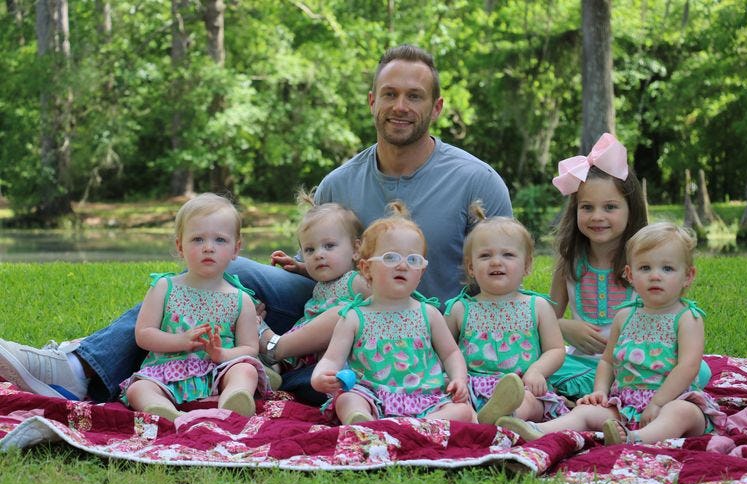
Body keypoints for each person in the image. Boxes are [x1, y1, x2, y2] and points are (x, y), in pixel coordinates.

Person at [0, 44, 511, 406]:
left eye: (415, 96)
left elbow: (500, 273)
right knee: (222, 269)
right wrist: (294, 275)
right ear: (371, 101)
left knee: (321, 362)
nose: (401, 106)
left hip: (422, 325)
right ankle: (81, 367)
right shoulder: (340, 182)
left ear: (436, 107)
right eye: (390, 93)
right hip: (332, 307)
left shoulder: (476, 181)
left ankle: (272, 367)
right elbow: (327, 273)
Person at [495, 222, 726, 444]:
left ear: (688, 276)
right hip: (626, 404)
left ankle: (636, 439)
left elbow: (688, 367)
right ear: (630, 275)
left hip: (671, 399)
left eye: (667, 268)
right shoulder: (624, 316)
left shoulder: (687, 318)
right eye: (645, 268)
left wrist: (658, 403)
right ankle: (538, 430)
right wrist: (600, 392)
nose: (655, 275)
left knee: (680, 413)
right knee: (586, 411)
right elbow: (607, 361)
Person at [545, 132, 711, 399]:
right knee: (538, 364)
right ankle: (598, 391)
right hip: (581, 362)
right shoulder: (569, 261)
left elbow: (669, 314)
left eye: (610, 207)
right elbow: (546, 318)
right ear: (575, 211)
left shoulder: (645, 263)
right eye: (587, 207)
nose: (597, 216)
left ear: (630, 209)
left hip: (639, 363)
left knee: (699, 370)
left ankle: (585, 394)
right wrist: (564, 327)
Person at [310, 203, 475, 425]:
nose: (403, 266)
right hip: (373, 397)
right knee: (348, 399)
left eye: (413, 260)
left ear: (421, 272)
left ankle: (419, 426)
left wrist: (459, 379)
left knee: (462, 411)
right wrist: (321, 376)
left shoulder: (429, 314)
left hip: (425, 400)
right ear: (366, 268)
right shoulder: (354, 317)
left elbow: (451, 354)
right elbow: (332, 359)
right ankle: (364, 422)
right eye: (391, 258)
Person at [123, 194, 275, 420]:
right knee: (138, 389)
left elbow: (249, 348)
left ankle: (233, 400)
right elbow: (143, 334)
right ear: (180, 246)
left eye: (220, 240)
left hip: (218, 372)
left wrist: (222, 354)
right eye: (197, 239)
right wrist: (180, 341)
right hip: (167, 373)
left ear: (236, 249)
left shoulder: (240, 300)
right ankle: (163, 411)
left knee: (246, 370)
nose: (208, 248)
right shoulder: (164, 287)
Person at [444, 202, 568, 428]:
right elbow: (443, 352)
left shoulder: (537, 306)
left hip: (522, 386)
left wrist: (537, 371)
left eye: (508, 254)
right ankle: (481, 419)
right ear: (471, 268)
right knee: (455, 406)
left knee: (530, 402)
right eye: (485, 255)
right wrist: (455, 381)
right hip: (473, 389)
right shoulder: (460, 309)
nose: (496, 261)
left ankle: (508, 415)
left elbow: (556, 349)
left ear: (527, 266)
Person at [259, 190, 370, 389]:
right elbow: (327, 277)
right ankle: (271, 371)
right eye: (309, 250)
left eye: (329, 246)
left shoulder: (357, 280)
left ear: (356, 250)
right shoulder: (325, 281)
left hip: (340, 351)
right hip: (308, 354)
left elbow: (384, 298)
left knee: (342, 314)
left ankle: (275, 349)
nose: (318, 255)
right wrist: (300, 268)